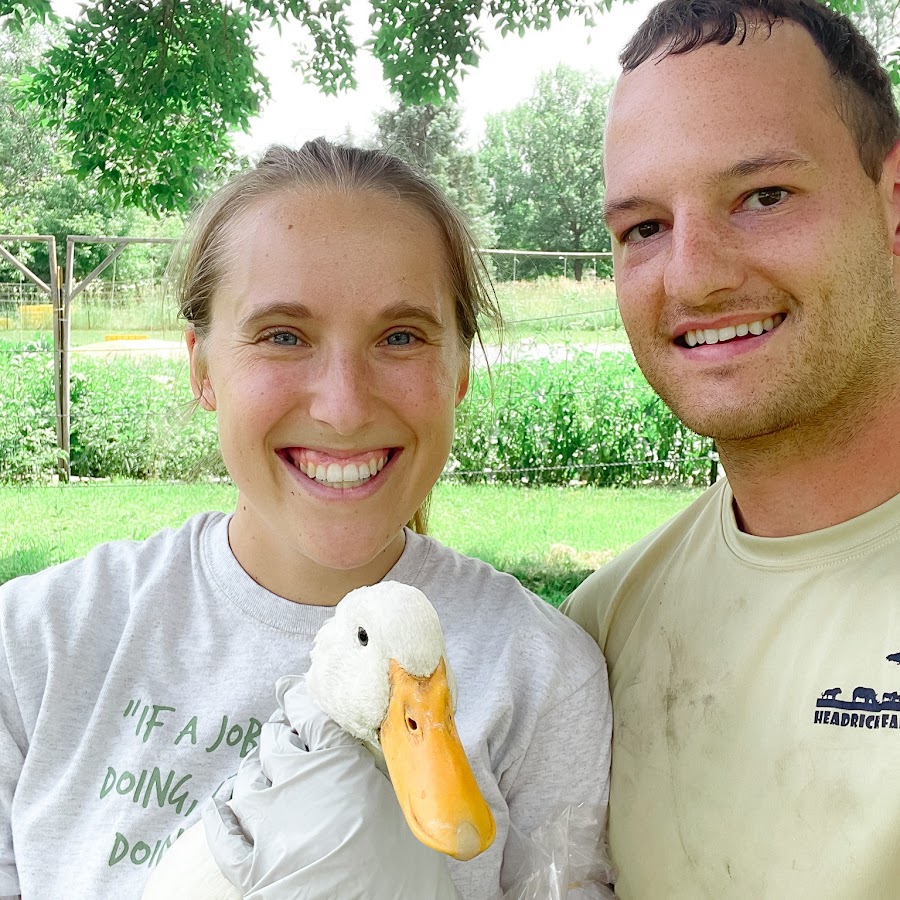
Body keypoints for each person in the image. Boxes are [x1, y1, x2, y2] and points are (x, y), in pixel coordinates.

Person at [0, 139, 612, 899]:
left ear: (458, 369)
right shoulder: (31, 646)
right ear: (202, 368)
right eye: (283, 336)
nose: (344, 406)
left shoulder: (542, 679)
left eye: (400, 337)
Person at [563, 0, 900, 895]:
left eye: (762, 196)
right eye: (643, 227)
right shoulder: (595, 637)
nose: (696, 274)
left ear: (894, 204)